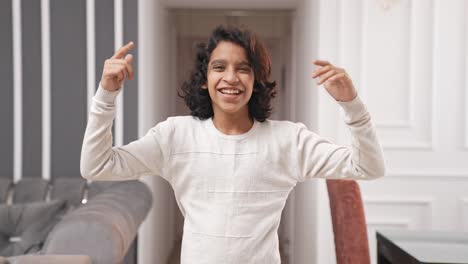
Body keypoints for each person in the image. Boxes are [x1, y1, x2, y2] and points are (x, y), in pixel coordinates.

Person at [80, 25, 385, 263]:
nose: (231, 77)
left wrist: (351, 103)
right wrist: (106, 95)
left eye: (243, 68)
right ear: (204, 79)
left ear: (256, 81)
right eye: (219, 67)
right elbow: (96, 166)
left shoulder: (288, 140)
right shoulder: (175, 135)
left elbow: (368, 166)